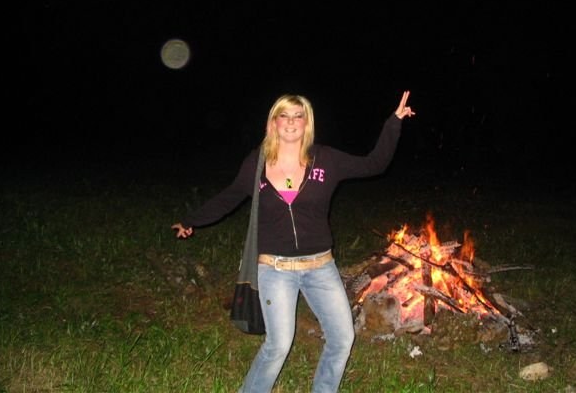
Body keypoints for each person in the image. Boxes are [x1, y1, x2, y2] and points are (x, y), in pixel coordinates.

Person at [172, 91, 415, 393]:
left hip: (321, 267)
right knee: (278, 345)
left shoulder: (326, 159)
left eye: (298, 116)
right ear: (273, 122)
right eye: (283, 115)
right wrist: (192, 220)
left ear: (306, 123)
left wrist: (394, 122)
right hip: (275, 269)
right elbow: (230, 196)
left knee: (342, 338)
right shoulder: (257, 162)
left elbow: (374, 164)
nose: (291, 122)